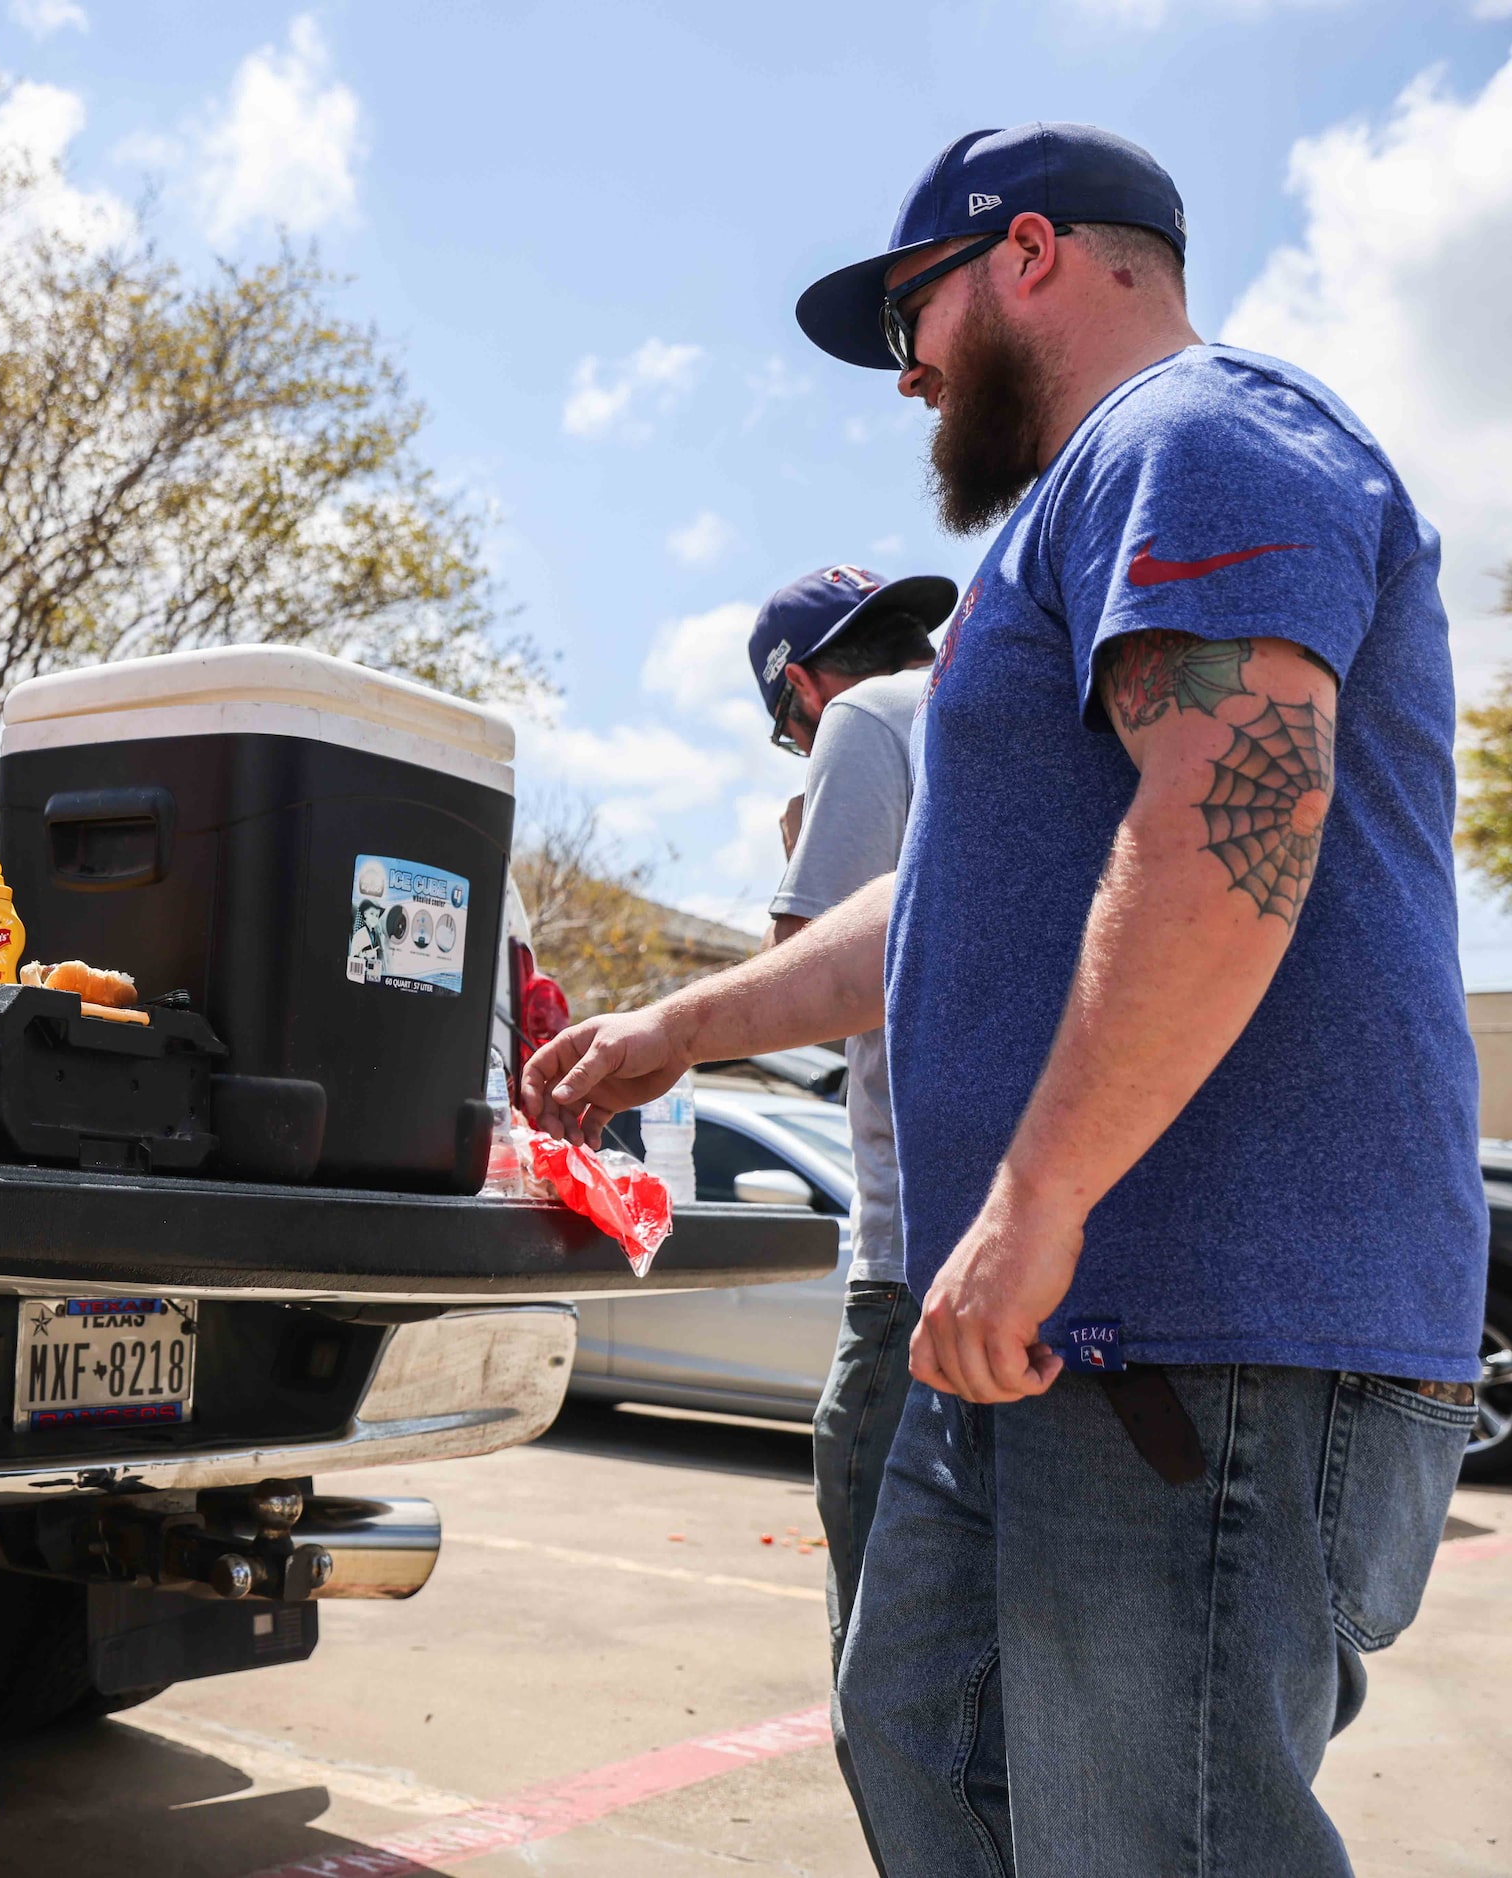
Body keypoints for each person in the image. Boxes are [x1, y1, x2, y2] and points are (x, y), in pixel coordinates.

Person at [524, 124, 1484, 1875]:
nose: (908, 380)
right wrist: (675, 1028)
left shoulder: (1198, 438)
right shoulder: (1059, 537)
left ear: (1029, 253)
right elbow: (938, 903)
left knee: (1149, 1843)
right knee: (919, 1738)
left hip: (1202, 1339)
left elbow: (1232, 809)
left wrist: (1041, 1197)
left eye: (914, 322)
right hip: (1044, 1343)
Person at [748, 561, 950, 1859]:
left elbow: (808, 978)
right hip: (1038, 1258)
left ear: (804, 689)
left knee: (895, 1699)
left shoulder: (869, 724)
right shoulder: (1010, 708)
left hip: (912, 1263)